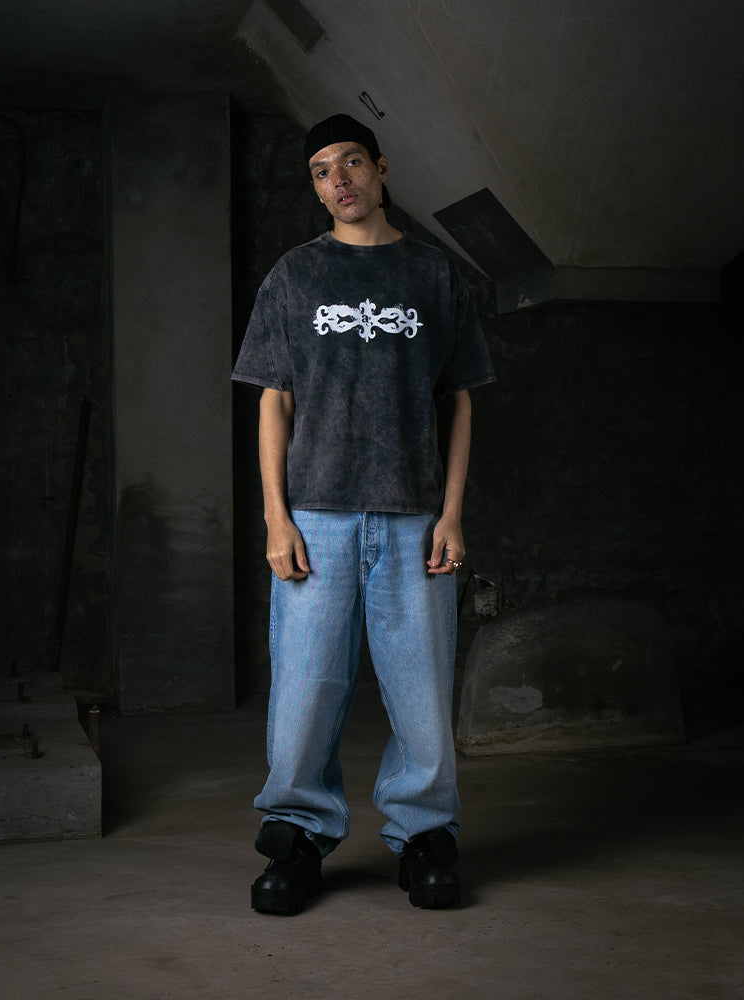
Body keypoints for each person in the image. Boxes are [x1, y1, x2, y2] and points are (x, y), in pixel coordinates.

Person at [232, 113, 495, 914]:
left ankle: (425, 837)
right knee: (304, 689)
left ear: (380, 169)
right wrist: (276, 519)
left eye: (350, 162)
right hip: (316, 518)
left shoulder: (432, 274)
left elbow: (460, 400)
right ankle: (298, 837)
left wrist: (452, 513)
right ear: (315, 189)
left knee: (421, 690)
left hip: (414, 517)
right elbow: (274, 402)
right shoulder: (295, 275)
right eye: (321, 171)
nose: (338, 179)